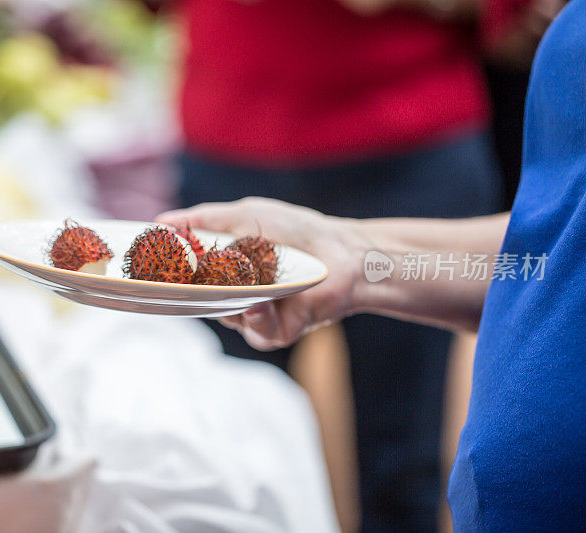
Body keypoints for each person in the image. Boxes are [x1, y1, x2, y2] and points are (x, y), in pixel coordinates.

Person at [158, 0, 586, 526]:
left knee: (400, 461)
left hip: (406, 138)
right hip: (231, 127)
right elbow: (547, 260)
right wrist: (357, 256)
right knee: (224, 445)